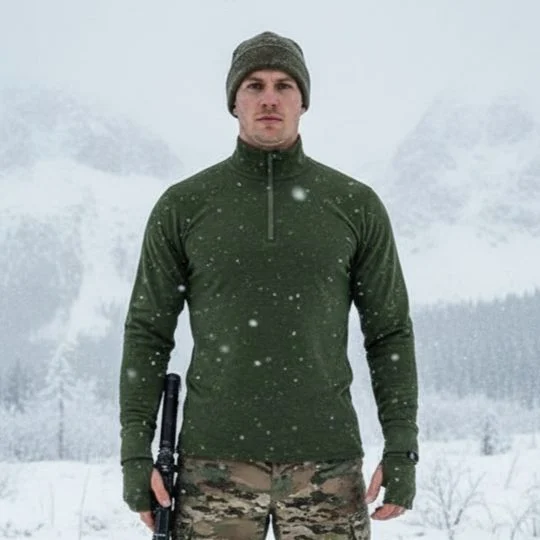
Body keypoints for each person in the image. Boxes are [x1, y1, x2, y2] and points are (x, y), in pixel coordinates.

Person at [120, 31, 419, 540]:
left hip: (327, 467)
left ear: (303, 100)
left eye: (284, 85)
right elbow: (148, 332)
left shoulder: (354, 204)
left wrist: (402, 449)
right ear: (234, 101)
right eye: (254, 85)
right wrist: (134, 453)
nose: (269, 98)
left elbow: (389, 332)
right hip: (212, 469)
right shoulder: (184, 206)